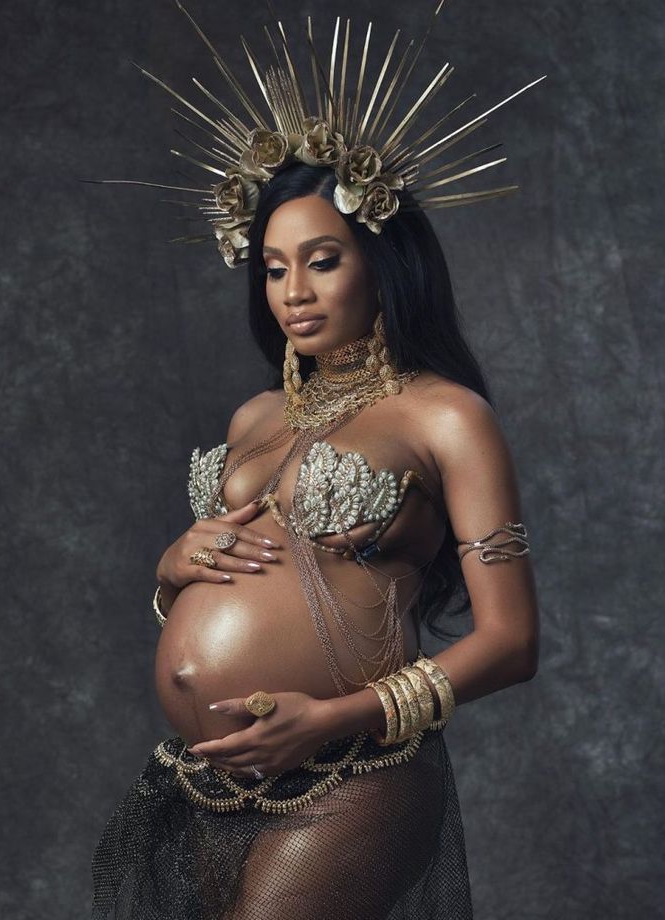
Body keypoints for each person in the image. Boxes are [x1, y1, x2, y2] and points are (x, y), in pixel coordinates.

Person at [90, 5, 542, 918]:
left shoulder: (447, 416)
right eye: (271, 267)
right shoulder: (257, 413)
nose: (293, 292)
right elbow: (229, 585)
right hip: (210, 780)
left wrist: (331, 719)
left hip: (353, 773)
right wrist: (170, 571)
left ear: (378, 262)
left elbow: (512, 641)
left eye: (322, 261)